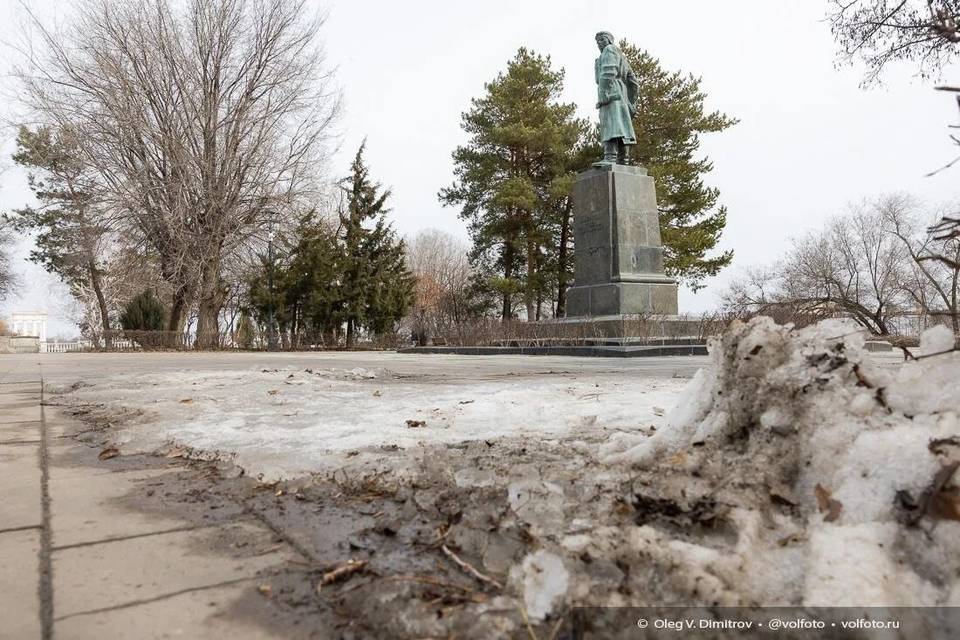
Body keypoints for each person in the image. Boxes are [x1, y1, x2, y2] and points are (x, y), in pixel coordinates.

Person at [594, 31, 639, 165]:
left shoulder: (609, 50)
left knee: (611, 125)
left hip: (610, 91)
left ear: (609, 40)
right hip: (621, 94)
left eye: (602, 39)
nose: (599, 43)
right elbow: (634, 82)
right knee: (622, 127)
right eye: (597, 41)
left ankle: (610, 157)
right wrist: (631, 102)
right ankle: (624, 160)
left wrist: (604, 93)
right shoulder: (621, 56)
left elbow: (608, 72)